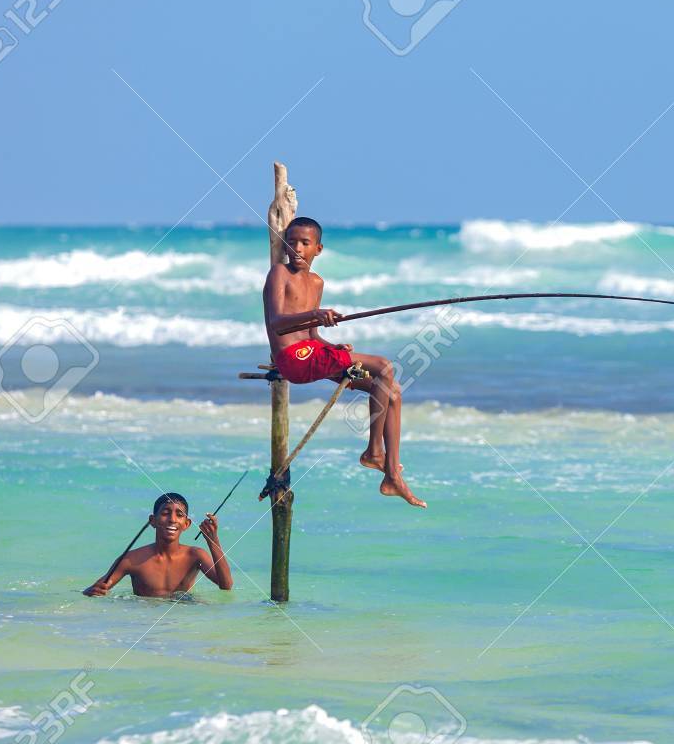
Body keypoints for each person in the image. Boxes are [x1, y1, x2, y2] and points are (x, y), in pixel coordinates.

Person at [262, 216, 425, 508]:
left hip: (312, 354)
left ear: (318, 249)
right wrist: (317, 315)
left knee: (391, 390)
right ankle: (375, 452)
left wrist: (330, 345)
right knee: (384, 365)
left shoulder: (316, 282)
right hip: (292, 359)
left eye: (305, 242)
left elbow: (311, 335)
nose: (296, 247)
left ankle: (391, 474)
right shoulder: (279, 274)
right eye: (292, 241)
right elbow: (277, 323)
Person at [83, 493, 232, 597]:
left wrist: (213, 541)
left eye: (179, 515)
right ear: (153, 521)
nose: (172, 519)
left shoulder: (195, 556)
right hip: (146, 616)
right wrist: (91, 591)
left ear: (186, 524)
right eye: (166, 513)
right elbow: (98, 589)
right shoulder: (130, 559)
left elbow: (226, 585)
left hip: (184, 619)